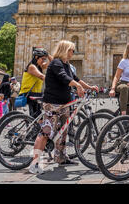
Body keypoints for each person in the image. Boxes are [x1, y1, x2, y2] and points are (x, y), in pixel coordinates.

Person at [28, 40, 98, 174]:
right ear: (65, 50)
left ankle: (61, 157)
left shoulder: (66, 64)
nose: (73, 53)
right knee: (46, 132)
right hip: (52, 103)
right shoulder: (56, 63)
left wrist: (88, 86)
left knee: (63, 130)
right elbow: (63, 77)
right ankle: (34, 163)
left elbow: (76, 79)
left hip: (64, 103)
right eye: (71, 50)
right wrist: (76, 86)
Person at [18, 48, 51, 118]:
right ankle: (33, 127)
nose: (43, 61)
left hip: (36, 94)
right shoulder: (32, 67)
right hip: (29, 93)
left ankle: (37, 125)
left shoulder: (40, 66)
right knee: (37, 117)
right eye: (42, 59)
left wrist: (47, 55)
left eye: (45, 59)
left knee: (39, 115)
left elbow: (52, 62)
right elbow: (41, 76)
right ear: (36, 57)